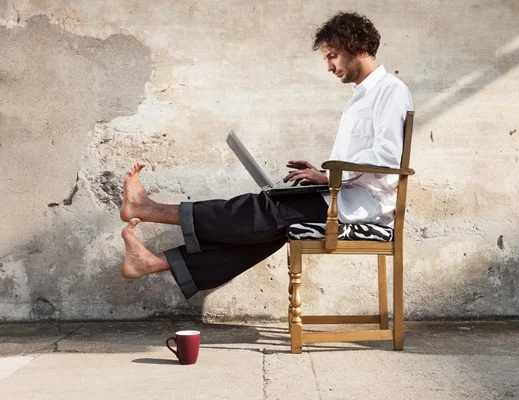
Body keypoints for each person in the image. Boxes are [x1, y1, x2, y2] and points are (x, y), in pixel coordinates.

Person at [120, 12, 413, 299]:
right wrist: (321, 174)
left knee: (263, 209)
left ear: (358, 47)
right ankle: (153, 262)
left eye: (332, 55)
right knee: (261, 231)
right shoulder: (359, 98)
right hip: (342, 194)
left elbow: (386, 156)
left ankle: (147, 209)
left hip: (365, 206)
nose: (328, 66)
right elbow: (360, 158)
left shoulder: (391, 91)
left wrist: (328, 176)